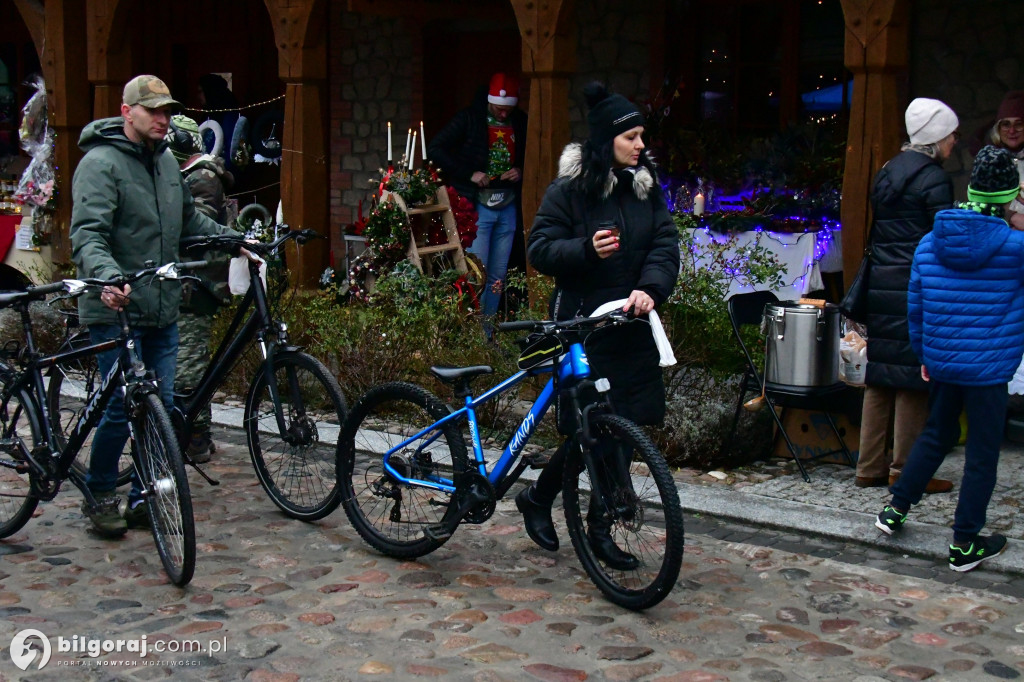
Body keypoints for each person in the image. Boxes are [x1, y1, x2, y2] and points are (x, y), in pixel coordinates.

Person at [515, 82, 680, 570]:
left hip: (631, 324)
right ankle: (599, 529)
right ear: (607, 141)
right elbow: (539, 249)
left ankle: (540, 498)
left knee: (623, 427)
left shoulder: (644, 187)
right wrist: (586, 249)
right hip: (584, 327)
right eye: (631, 136)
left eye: (642, 135)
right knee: (595, 428)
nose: (641, 145)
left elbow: (665, 245)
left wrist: (650, 286)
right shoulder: (569, 191)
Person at [71, 75, 241, 537]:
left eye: (167, 111)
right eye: (154, 111)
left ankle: (143, 496)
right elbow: (88, 235)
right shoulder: (100, 164)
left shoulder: (167, 163)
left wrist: (237, 240)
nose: (163, 119)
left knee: (160, 409)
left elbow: (189, 220)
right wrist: (108, 279)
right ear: (128, 112)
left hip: (163, 307)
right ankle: (102, 491)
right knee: (119, 410)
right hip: (116, 309)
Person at [874, 145, 1024, 572]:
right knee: (981, 452)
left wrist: (925, 353)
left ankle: (895, 509)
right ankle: (965, 542)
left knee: (936, 434)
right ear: (1009, 197)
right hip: (990, 367)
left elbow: (915, 306)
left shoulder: (929, 240)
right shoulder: (1016, 248)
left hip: (942, 360)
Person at [855, 98, 958, 495]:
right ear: (936, 138)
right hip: (916, 283)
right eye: (951, 135)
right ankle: (906, 470)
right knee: (914, 377)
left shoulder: (887, 171)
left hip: (882, 280)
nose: (954, 142)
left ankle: (868, 466)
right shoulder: (934, 179)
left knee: (880, 373)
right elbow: (940, 239)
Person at [165, 114, 235, 463]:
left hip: (197, 284)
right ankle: (189, 431)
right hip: (187, 282)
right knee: (183, 362)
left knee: (189, 366)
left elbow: (197, 231)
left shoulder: (202, 177)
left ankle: (195, 437)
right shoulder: (190, 176)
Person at [428, 72, 527, 319]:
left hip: (508, 203)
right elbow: (435, 148)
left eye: (508, 110)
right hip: (478, 204)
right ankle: (473, 330)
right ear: (489, 101)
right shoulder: (470, 118)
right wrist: (468, 173)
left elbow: (531, 154)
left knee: (499, 273)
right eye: (498, 108)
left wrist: (520, 170)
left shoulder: (521, 121)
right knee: (476, 270)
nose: (503, 114)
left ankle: (488, 330)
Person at [978, 90, 1024, 230]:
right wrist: (1011, 217)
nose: (1011, 131)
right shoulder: (988, 162)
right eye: (1006, 124)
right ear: (998, 128)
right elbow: (979, 206)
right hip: (998, 239)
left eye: (1019, 124)